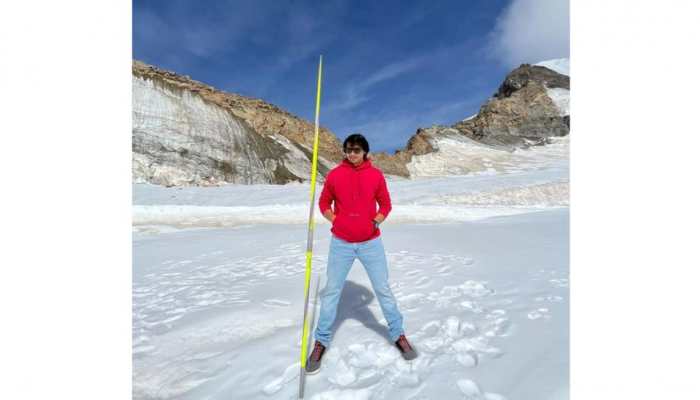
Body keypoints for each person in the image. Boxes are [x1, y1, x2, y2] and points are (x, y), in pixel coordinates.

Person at [305, 133, 417, 375]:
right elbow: (324, 203)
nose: (351, 154)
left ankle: (398, 335)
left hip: (370, 244)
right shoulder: (335, 174)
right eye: (348, 150)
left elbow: (385, 204)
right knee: (332, 291)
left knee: (383, 289)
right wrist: (337, 220)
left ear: (365, 151)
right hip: (341, 243)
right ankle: (321, 341)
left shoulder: (375, 175)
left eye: (356, 150)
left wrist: (375, 222)